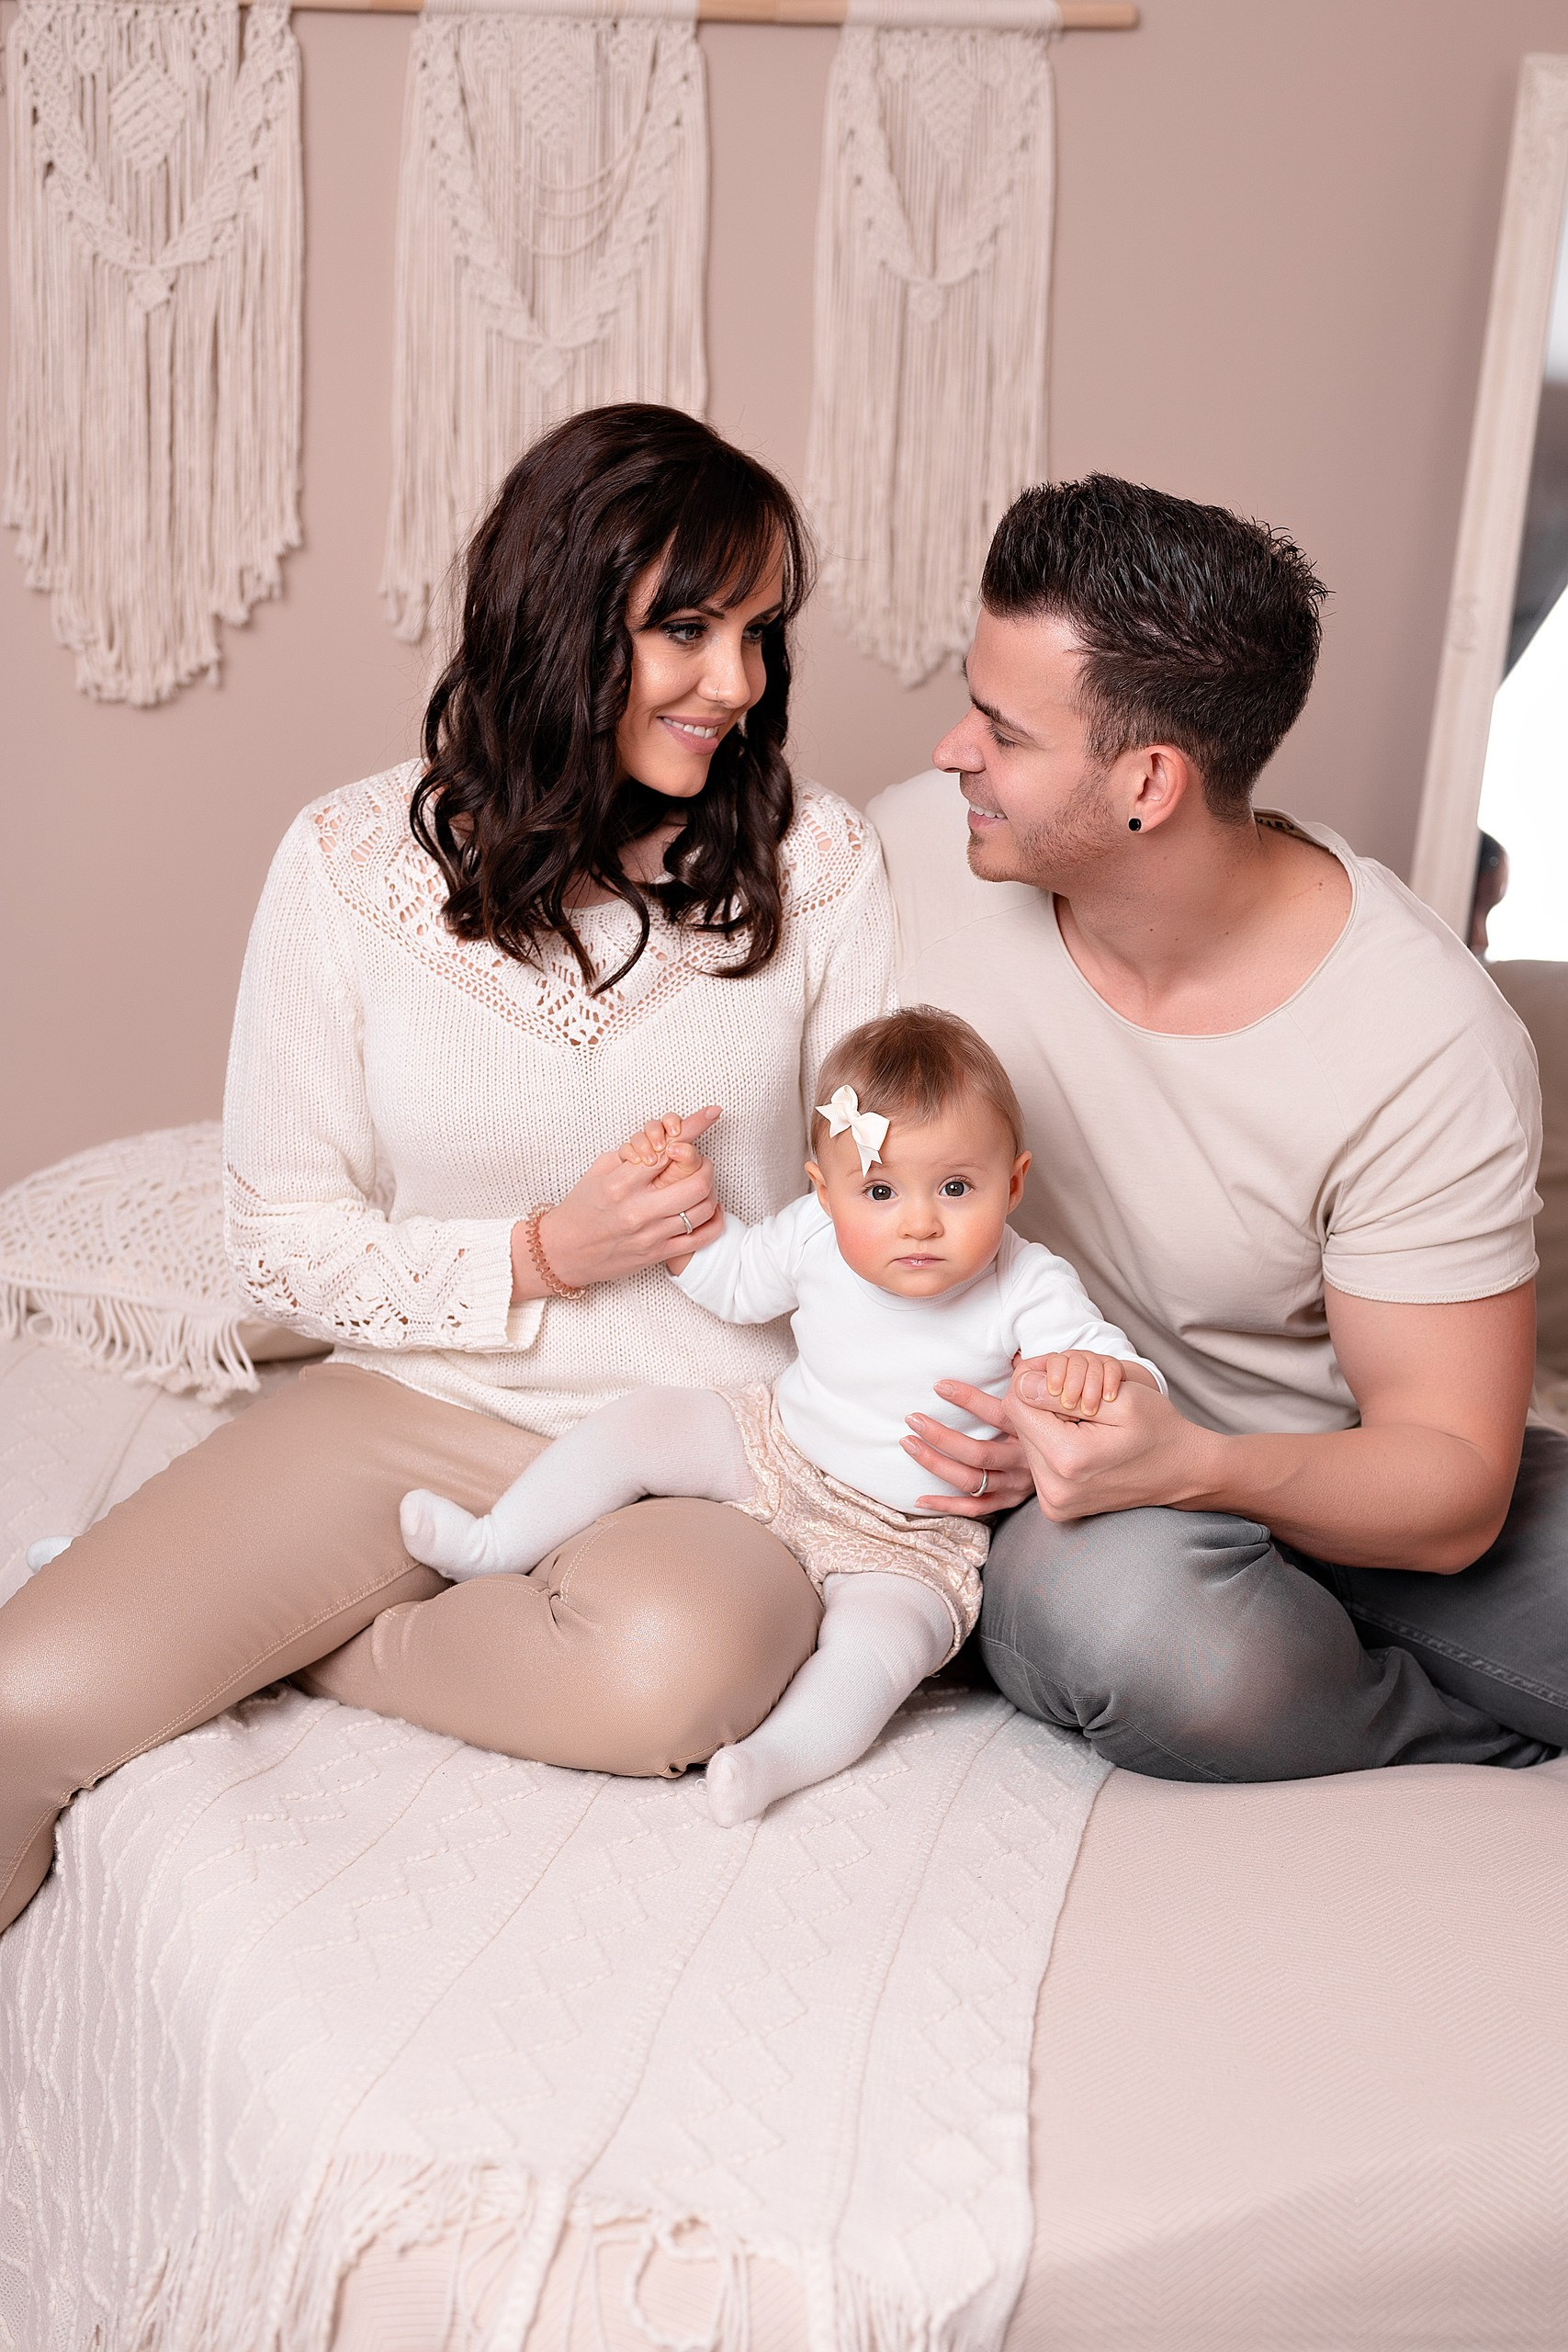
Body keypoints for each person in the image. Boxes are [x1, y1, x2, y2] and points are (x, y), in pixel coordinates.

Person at [0, 404, 896, 1938]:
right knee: (24, 1702)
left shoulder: (820, 864)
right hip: (418, 1404)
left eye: (758, 632)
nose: (736, 683)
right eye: (686, 628)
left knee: (667, 1679)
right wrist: (541, 1254)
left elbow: (885, 1196)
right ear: (557, 612)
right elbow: (279, 1241)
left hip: (698, 1443)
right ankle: (268, 1602)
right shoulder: (347, 868)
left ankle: (299, 1640)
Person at [870, 473, 1567, 1779]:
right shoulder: (909, 861)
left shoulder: (1423, 1035)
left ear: (1145, 782)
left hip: (1333, 1477)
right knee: (1169, 1655)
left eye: (1000, 731)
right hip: (1089, 1508)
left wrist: (1197, 1465)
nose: (949, 752)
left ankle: (1345, 1654)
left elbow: (1448, 1477)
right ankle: (1417, 1709)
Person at [398, 1007, 1162, 1824]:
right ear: (822, 1191)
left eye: (954, 1187)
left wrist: (1096, 1371)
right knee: (645, 1421)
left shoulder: (1029, 1283)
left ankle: (778, 1758)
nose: (918, 1221)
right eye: (878, 1189)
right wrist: (680, 1212)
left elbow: (1130, 1379)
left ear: (1010, 1184)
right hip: (780, 1450)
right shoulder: (813, 1239)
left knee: (882, 1647)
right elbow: (732, 1283)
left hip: (910, 1535)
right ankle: (493, 1543)